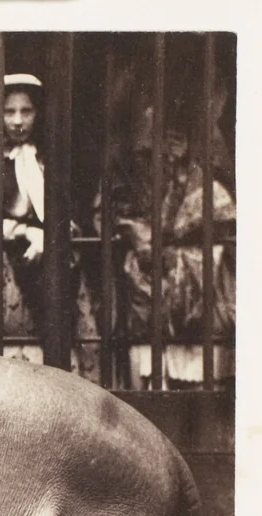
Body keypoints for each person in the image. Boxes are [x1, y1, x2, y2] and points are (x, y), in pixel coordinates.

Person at [0, 73, 98, 374]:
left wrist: (52, 235)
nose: (17, 120)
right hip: (0, 269)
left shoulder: (52, 158)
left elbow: (75, 212)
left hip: (52, 265)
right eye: (9, 112)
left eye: (26, 111)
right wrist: (27, 231)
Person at [95, 100, 236, 389]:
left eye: (178, 132)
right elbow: (107, 215)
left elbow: (228, 229)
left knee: (204, 389)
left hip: (203, 306)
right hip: (144, 297)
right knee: (148, 382)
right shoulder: (129, 172)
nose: (170, 143)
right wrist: (135, 233)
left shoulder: (210, 181)